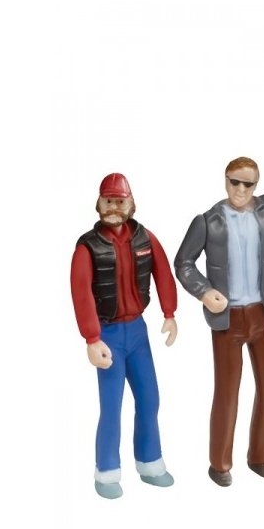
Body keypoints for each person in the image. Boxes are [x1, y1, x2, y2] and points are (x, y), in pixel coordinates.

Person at [174, 112, 264, 487]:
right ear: (226, 180)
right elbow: (183, 262)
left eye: (249, 184)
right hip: (227, 318)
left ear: (256, 186)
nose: (241, 190)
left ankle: (260, 456)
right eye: (235, 182)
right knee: (227, 392)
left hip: (262, 314)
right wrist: (204, 291)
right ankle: (219, 463)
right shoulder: (208, 220)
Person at [70, 173, 178, 499]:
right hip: (108, 335)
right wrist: (92, 338)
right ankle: (106, 471)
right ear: (99, 203)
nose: (114, 207)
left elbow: (163, 272)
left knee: (149, 399)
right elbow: (81, 292)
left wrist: (169, 312)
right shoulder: (88, 246)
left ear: (131, 203)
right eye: (108, 200)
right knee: (111, 405)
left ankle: (150, 462)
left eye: (120, 200)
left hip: (138, 332)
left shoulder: (144, 237)